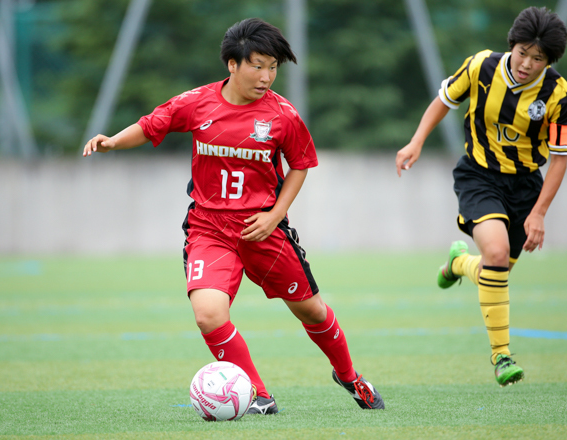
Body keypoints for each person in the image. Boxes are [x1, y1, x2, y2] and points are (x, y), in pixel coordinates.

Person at [84, 18, 384, 411]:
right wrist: (112, 143)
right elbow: (150, 125)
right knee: (208, 315)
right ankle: (259, 395)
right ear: (233, 64)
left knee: (311, 310)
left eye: (273, 66)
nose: (266, 76)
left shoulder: (283, 115)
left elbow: (301, 164)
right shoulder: (196, 103)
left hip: (263, 230)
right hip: (209, 227)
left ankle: (349, 376)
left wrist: (276, 215)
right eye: (257, 65)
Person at [396, 7, 567, 387]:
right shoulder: (481, 66)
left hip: (526, 185)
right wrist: (416, 141)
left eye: (538, 59)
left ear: (549, 61)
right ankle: (502, 356)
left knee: (498, 270)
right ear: (513, 44)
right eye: (523, 52)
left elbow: (559, 160)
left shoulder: (560, 96)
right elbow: (445, 99)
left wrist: (539, 212)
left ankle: (458, 264)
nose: (527, 63)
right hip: (479, 174)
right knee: (495, 255)